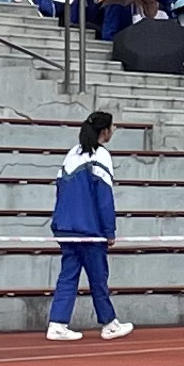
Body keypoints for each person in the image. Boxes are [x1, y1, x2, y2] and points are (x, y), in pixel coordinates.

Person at [47, 109, 133, 341]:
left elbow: (59, 189)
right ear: (104, 131)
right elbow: (103, 196)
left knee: (68, 275)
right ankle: (109, 323)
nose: (114, 130)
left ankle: (57, 323)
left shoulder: (72, 153)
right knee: (98, 276)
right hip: (89, 228)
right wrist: (109, 230)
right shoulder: (101, 155)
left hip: (65, 225)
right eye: (112, 127)